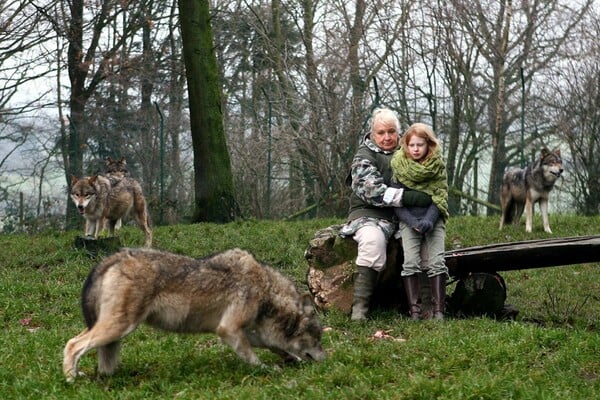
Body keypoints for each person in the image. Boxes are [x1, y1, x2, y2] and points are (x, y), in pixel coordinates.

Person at [340, 108, 432, 321]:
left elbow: (429, 178)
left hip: (406, 216)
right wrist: (408, 197)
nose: (387, 137)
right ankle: (360, 309)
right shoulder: (365, 155)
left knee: (424, 242)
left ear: (398, 132)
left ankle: (427, 307)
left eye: (391, 131)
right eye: (381, 132)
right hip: (369, 214)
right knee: (372, 242)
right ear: (372, 133)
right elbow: (371, 190)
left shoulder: (410, 149)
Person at [390, 123, 449, 320]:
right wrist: (412, 221)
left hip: (433, 219)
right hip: (408, 221)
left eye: (420, 145)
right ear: (406, 146)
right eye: (412, 145)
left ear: (428, 145)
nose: (416, 149)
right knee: (411, 263)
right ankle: (414, 311)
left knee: (437, 262)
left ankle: (439, 310)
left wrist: (429, 221)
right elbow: (396, 201)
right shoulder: (398, 167)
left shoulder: (437, 167)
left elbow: (440, 196)